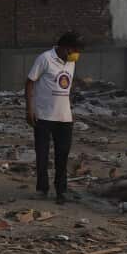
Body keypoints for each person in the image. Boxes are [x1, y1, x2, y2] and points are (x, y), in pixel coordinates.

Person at [26, 31, 84, 205]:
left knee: (62, 155)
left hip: (65, 118)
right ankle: (42, 188)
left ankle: (61, 191)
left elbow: (65, 85)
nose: (76, 54)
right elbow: (30, 82)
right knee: (42, 155)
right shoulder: (45, 58)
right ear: (65, 48)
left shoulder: (71, 63)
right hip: (43, 116)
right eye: (74, 50)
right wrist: (29, 109)